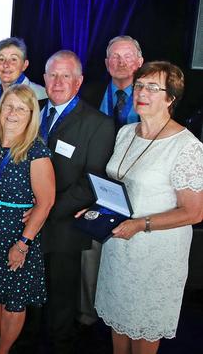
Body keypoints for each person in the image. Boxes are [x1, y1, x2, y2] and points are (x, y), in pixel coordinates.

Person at [92, 61, 203, 354]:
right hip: (119, 246)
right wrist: (97, 211)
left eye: (153, 87)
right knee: (118, 326)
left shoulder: (186, 146)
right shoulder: (126, 132)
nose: (141, 92)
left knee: (143, 332)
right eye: (139, 85)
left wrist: (142, 224)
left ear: (171, 98)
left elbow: (194, 212)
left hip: (155, 256)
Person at [18, 50, 115, 354]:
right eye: (52, 75)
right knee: (26, 296)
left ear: (79, 81)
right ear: (43, 79)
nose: (58, 82)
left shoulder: (98, 124)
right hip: (23, 223)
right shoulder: (32, 110)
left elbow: (91, 184)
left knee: (61, 301)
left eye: (66, 76)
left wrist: (42, 211)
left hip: (64, 226)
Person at [0, 84, 55, 354]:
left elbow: (46, 202)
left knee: (12, 300)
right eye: (8, 106)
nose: (12, 113)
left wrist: (22, 244)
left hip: (17, 233)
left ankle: (2, 351)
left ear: (31, 115)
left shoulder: (36, 152)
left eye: (20, 108)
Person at [78, 35, 144, 327]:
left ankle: (121, 316)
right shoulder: (89, 94)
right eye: (114, 57)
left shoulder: (151, 97)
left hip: (138, 193)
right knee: (90, 257)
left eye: (127, 56)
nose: (120, 62)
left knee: (128, 257)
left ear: (140, 63)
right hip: (94, 189)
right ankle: (90, 316)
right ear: (106, 63)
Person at [0, 38, 47, 138]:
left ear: (25, 65)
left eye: (13, 59)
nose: (6, 65)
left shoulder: (39, 95)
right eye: (1, 59)